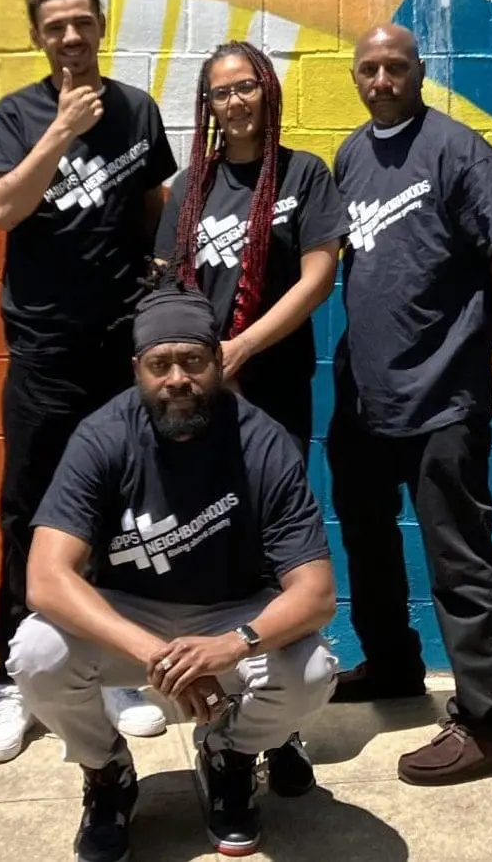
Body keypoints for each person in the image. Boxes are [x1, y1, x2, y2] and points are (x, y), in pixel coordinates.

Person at [9, 285, 339, 862]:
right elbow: (45, 578)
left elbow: (315, 596)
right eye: (160, 364)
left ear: (218, 360)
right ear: (137, 369)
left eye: (193, 360)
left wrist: (231, 646)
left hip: (233, 611)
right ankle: (107, 775)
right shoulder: (102, 436)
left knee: (310, 670)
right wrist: (163, 657)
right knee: (36, 652)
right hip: (129, 615)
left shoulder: (263, 442)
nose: (177, 378)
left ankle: (230, 757)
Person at [0, 0, 180, 763]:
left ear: (100, 29)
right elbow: (2, 208)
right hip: (44, 349)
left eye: (82, 23)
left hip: (119, 349)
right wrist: (59, 132)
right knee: (28, 512)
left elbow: (153, 205)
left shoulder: (136, 109)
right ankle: (10, 682)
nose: (70, 37)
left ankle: (115, 671)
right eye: (55, 26)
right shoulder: (18, 116)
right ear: (39, 38)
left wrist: (156, 279)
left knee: (125, 514)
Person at [326, 25, 492, 786]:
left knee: (458, 557)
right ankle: (391, 664)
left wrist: (469, 328)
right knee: (366, 536)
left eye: (395, 67)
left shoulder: (456, 149)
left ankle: (485, 723)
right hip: (363, 394)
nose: (381, 78)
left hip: (442, 393)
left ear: (418, 72)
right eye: (369, 68)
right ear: (356, 77)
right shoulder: (351, 155)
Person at [153, 39, 349, 796]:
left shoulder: (302, 176)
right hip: (199, 400)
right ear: (205, 107)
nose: (233, 102)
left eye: (245, 88)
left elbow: (319, 274)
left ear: (267, 92)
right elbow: (167, 288)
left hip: (274, 392)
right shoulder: (187, 189)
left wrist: (240, 348)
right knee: (214, 555)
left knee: (278, 557)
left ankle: (283, 726)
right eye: (219, 93)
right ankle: (228, 722)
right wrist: (202, 365)